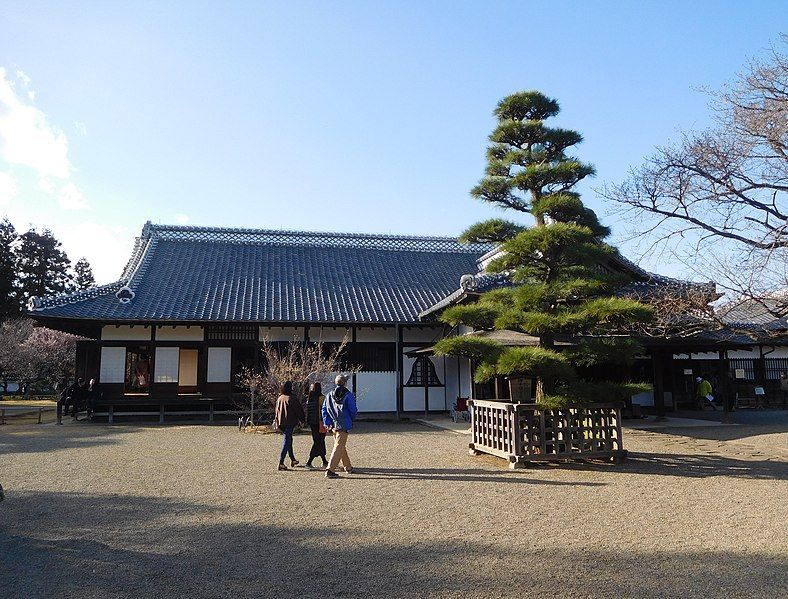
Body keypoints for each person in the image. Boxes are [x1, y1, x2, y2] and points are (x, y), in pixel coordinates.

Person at [322, 374, 358, 478]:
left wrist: (327, 422)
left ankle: (348, 467)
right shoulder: (348, 395)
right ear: (345, 383)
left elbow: (324, 409)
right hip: (344, 423)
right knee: (339, 446)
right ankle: (330, 469)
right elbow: (353, 410)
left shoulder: (329, 395)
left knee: (340, 445)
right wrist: (351, 419)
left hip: (333, 423)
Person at [274, 381, 305, 471]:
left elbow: (276, 411)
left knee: (289, 439)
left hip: (281, 422)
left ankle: (293, 459)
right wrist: (302, 420)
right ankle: (281, 462)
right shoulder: (291, 398)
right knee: (287, 441)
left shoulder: (280, 398)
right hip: (289, 422)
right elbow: (299, 410)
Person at [305, 382, 328, 468]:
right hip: (320, 422)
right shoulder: (322, 398)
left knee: (318, 441)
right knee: (319, 441)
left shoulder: (309, 398)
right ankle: (309, 462)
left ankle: (324, 460)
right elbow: (325, 410)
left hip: (312, 423)